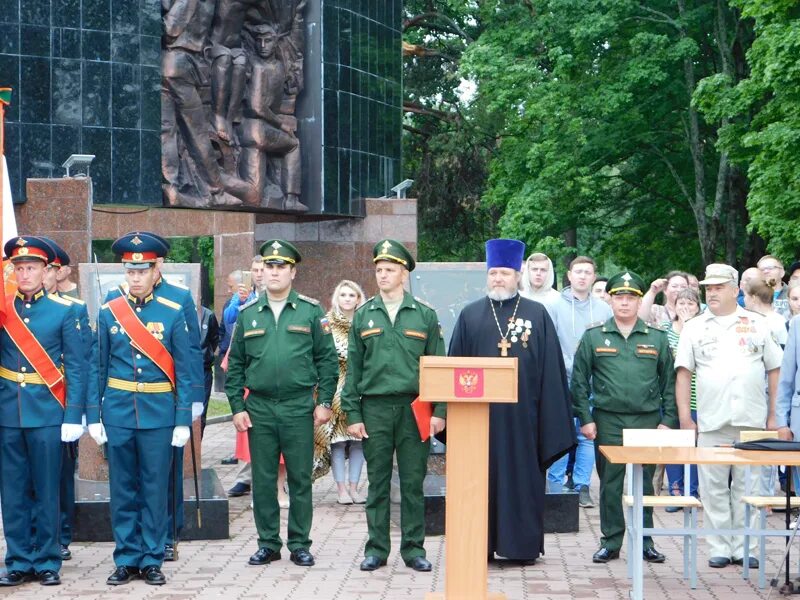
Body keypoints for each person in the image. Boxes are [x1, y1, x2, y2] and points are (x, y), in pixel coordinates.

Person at [448, 238, 574, 564]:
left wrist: (550, 421)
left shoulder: (537, 314)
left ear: (518, 275)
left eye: (504, 273)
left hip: (524, 422)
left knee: (522, 482)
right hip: (480, 421)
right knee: (480, 484)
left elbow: (551, 372)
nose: (498, 279)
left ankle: (521, 547)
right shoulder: (470, 315)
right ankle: (479, 544)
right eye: (493, 273)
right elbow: (453, 370)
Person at [87, 233, 193, 585]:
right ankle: (126, 557)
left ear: (156, 268)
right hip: (118, 411)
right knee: (122, 488)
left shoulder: (176, 304)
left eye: (141, 270)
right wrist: (94, 413)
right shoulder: (110, 305)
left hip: (159, 411)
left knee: (154, 487)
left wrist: (183, 418)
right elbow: (97, 363)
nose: (134, 277)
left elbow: (187, 363)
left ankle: (151, 558)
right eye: (129, 271)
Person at [225, 239, 338, 568]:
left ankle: (300, 543)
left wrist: (325, 402)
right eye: (269, 266)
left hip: (298, 406)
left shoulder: (311, 311)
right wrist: (236, 407)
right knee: (262, 479)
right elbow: (237, 368)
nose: (274, 272)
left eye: (281, 267)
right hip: (259, 407)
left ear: (293, 271)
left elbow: (327, 361)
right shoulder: (248, 315)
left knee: (300, 478)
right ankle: (268, 543)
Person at [341, 239, 446, 573]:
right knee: (378, 482)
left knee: (414, 482)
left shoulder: (424, 315)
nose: (382, 275)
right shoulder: (363, 315)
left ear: (404, 273)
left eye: (389, 270)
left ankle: (414, 549)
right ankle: (377, 548)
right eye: (379, 270)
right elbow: (353, 369)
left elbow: (437, 366)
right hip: (374, 409)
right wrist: (353, 414)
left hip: (414, 407)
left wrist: (440, 412)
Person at [675, 263, 782, 569]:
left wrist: (774, 415)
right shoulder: (694, 327)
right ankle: (720, 546)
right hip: (712, 419)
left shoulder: (757, 323)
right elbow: (683, 374)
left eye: (719, 287)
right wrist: (685, 417)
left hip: (753, 420)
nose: (713, 293)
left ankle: (746, 546)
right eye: (709, 288)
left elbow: (774, 370)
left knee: (749, 488)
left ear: (736, 290)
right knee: (714, 487)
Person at [572, 271, 676, 565]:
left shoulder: (656, 337)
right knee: (610, 483)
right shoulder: (594, 337)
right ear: (610, 300)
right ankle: (611, 541)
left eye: (631, 298)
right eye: (619, 297)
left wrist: (667, 420)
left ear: (640, 300)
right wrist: (585, 418)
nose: (625, 303)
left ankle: (645, 540)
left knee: (644, 484)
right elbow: (579, 382)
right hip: (608, 419)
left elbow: (669, 382)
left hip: (646, 420)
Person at [0, 236, 85, 587]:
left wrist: (74, 415)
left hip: (49, 413)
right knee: (13, 491)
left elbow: (78, 366)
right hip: (8, 413)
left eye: (31, 267)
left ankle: (48, 559)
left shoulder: (65, 310)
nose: (24, 274)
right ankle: (18, 559)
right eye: (18, 268)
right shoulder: (4, 309)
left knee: (48, 489)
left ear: (47, 271)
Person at [38, 238, 93, 561]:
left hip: (58, 402)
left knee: (60, 475)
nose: (45, 276)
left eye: (50, 269)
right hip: (29, 405)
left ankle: (61, 533)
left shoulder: (72, 307)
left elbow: (81, 359)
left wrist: (79, 409)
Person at [547, 256, 613, 507]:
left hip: (592, 381)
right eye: (578, 271)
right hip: (561, 380)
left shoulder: (603, 309)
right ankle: (555, 484)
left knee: (587, 434)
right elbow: (550, 341)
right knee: (560, 432)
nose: (583, 276)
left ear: (594, 277)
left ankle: (581, 484)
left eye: (588, 272)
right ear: (569, 275)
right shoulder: (554, 305)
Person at [312, 279, 367, 504]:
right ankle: (341, 489)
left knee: (358, 440)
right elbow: (322, 356)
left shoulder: (365, 322)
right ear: (337, 298)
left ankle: (354, 487)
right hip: (334, 390)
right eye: (343, 295)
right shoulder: (327, 323)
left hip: (360, 388)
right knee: (337, 441)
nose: (347, 299)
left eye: (351, 295)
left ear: (358, 299)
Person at [663, 288, 702, 511]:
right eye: (681, 304)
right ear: (674, 306)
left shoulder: (703, 330)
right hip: (669, 397)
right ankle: (675, 492)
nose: (685, 308)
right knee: (672, 445)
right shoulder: (665, 332)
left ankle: (692, 491)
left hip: (698, 398)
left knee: (693, 447)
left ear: (698, 307)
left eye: (691, 304)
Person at [743, 277, 789, 348]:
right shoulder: (780, 319)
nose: (744, 299)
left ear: (753, 298)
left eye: (745, 295)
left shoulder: (758, 321)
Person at [199, 304, 220, 436]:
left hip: (203, 370)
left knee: (200, 412)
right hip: (182, 371)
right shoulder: (177, 311)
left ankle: (197, 450)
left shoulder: (208, 315)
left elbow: (214, 339)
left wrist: (206, 355)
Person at [757, 255, 790, 319]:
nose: (766, 271)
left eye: (770, 268)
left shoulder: (793, 294)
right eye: (762, 269)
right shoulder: (752, 296)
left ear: (782, 272)